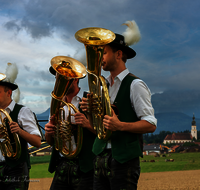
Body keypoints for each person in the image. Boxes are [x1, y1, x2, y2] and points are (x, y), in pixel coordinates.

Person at [80, 20, 157, 190]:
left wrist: (120, 125)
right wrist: (90, 112)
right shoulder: (102, 86)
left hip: (124, 163)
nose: (100, 58)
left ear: (118, 54)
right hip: (100, 159)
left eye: (104, 53)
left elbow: (150, 124)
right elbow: (99, 130)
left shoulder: (136, 84)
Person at [45, 66, 96, 190]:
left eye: (63, 79)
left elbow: (104, 134)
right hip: (62, 164)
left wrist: (87, 124)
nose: (59, 83)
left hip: (85, 167)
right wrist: (49, 132)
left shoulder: (90, 99)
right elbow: (50, 141)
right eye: (57, 79)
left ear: (75, 79)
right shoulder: (57, 104)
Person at [0, 69, 41, 190]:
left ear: (9, 93)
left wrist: (19, 131)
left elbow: (37, 142)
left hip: (17, 169)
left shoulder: (23, 112)